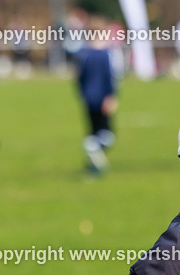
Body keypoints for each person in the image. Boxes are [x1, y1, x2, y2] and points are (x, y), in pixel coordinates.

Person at [74, 17, 117, 175]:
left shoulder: (83, 54)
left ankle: (93, 161)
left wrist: (82, 93)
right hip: (102, 98)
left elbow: (80, 78)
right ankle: (95, 159)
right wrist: (111, 96)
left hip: (88, 98)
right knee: (107, 134)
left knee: (93, 130)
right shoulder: (104, 54)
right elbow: (109, 77)